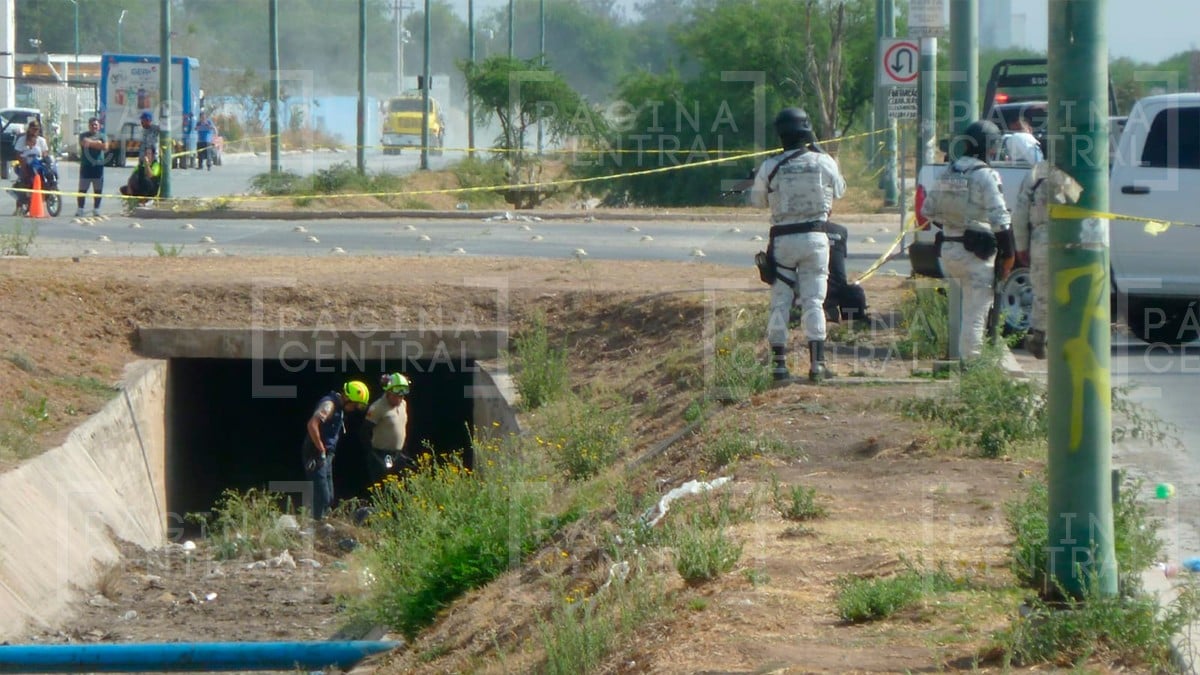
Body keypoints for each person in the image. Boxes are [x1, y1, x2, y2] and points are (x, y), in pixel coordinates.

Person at [750, 107, 846, 383]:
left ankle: (779, 365)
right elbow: (840, 190)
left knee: (780, 301)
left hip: (783, 240)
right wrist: (820, 150)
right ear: (807, 132)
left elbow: (757, 202)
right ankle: (817, 365)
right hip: (816, 239)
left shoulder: (770, 166)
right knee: (814, 301)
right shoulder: (824, 162)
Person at [920, 119, 1015, 361]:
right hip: (976, 255)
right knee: (976, 315)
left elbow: (928, 210)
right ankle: (970, 368)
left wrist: (956, 226)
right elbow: (1000, 219)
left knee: (969, 310)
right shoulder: (986, 176)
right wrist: (1009, 254)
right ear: (990, 147)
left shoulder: (949, 172)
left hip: (949, 250)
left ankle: (966, 359)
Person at [1011, 160, 1082, 359]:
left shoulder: (1036, 174)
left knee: (1042, 291)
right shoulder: (1077, 170)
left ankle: (1040, 338)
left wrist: (1021, 246)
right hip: (1075, 239)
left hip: (1042, 238)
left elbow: (1020, 213)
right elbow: (1078, 199)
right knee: (1071, 290)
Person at [300, 380, 370, 520]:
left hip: (327, 455)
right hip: (316, 454)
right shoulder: (329, 405)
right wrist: (321, 449)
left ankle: (321, 520)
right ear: (347, 398)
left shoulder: (339, 408)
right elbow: (312, 424)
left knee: (330, 496)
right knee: (322, 495)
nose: (354, 409)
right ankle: (316, 523)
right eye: (354, 405)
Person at [360, 372, 413, 485]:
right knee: (384, 486)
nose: (400, 397)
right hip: (381, 454)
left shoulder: (403, 404)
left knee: (402, 485)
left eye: (403, 394)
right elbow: (364, 431)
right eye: (397, 394)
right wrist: (372, 454)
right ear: (388, 391)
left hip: (398, 453)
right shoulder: (377, 407)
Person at [77, 117, 107, 217]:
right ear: (89, 126)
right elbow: (83, 143)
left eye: (96, 125)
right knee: (83, 188)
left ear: (99, 126)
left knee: (98, 189)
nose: (94, 126)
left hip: (98, 166)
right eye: (92, 125)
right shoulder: (83, 135)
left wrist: (90, 143)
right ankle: (80, 209)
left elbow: (105, 147)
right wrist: (97, 143)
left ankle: (96, 209)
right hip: (86, 166)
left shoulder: (103, 136)